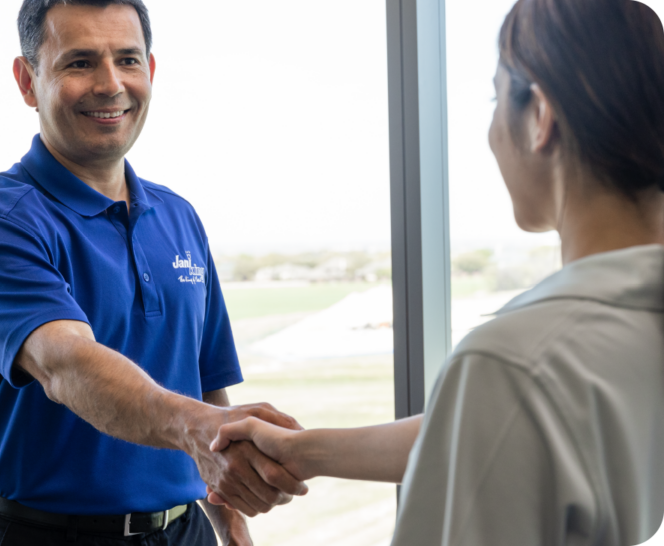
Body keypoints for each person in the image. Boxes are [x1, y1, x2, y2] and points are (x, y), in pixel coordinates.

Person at [208, 0, 664, 544]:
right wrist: (303, 452)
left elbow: (511, 409)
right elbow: (495, 432)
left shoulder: (514, 363)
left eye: (497, 98)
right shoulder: (583, 353)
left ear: (540, 116)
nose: (492, 131)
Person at [0, 1, 307, 545]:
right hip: (42, 534)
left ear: (150, 72)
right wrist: (191, 428)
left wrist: (231, 523)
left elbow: (204, 381)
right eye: (80, 62)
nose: (110, 84)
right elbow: (68, 365)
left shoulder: (179, 217)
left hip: (184, 531)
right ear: (27, 80)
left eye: (128, 60)